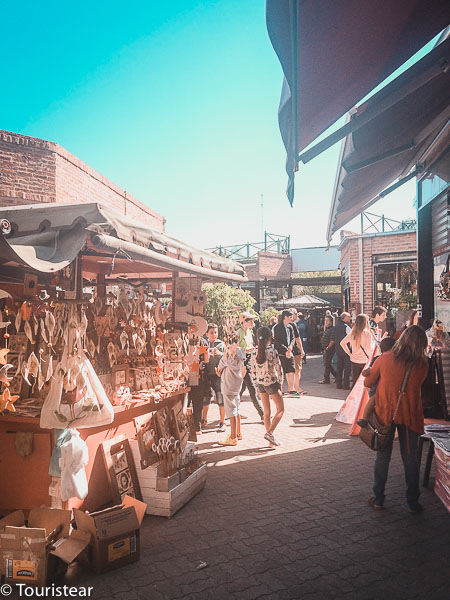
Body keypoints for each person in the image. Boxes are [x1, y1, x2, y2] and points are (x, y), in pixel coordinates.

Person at [363, 326, 429, 512]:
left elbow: (368, 382)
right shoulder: (423, 364)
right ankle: (412, 502)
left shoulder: (384, 359)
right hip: (410, 415)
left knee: (383, 456)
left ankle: (378, 499)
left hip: (386, 413)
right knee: (410, 457)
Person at [251, 326, 284, 447]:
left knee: (266, 413)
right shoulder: (272, 351)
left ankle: (271, 441)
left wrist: (256, 385)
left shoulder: (254, 352)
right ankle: (269, 433)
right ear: (270, 337)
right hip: (272, 383)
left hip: (260, 384)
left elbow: (253, 371)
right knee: (280, 409)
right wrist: (281, 383)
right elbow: (278, 369)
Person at [357, 336, 396, 427]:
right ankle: (364, 418)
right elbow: (370, 371)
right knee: (373, 400)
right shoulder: (378, 359)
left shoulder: (395, 359)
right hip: (378, 387)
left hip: (388, 386)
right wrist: (366, 372)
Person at [216, 337, 247, 446]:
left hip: (228, 385)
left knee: (231, 411)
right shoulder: (241, 353)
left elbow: (219, 370)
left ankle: (233, 437)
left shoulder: (227, 355)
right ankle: (238, 433)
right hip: (237, 384)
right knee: (237, 409)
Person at [237, 312, 264, 420]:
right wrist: (246, 350)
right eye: (250, 320)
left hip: (248, 361)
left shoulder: (249, 332)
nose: (253, 323)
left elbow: (250, 345)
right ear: (244, 321)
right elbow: (235, 349)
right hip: (241, 363)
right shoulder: (238, 332)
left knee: (241, 390)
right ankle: (262, 414)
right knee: (252, 389)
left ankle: (236, 412)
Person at [202, 324, 226, 431]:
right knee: (206, 397)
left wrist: (219, 353)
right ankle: (204, 419)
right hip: (207, 374)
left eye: (215, 332)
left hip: (218, 375)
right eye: (211, 333)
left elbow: (227, 357)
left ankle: (222, 421)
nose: (214, 335)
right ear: (207, 334)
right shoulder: (204, 343)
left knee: (220, 398)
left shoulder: (220, 344)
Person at [340, 314, 376, 386]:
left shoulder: (353, 333)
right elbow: (369, 349)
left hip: (354, 360)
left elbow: (342, 343)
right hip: (365, 360)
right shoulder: (367, 333)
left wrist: (349, 353)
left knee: (355, 382)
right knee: (365, 382)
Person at [273, 310, 297, 394]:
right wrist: (286, 350)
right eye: (290, 317)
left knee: (291, 369)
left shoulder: (290, 327)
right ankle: (280, 389)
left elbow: (293, 338)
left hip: (290, 351)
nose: (291, 319)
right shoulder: (277, 327)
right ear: (285, 317)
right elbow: (277, 341)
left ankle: (291, 389)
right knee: (281, 371)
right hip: (281, 352)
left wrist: (290, 347)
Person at [288, 309, 307, 394]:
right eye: (296, 313)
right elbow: (297, 339)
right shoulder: (294, 325)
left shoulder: (284, 325)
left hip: (288, 350)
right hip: (295, 350)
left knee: (289, 370)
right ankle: (297, 387)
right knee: (297, 369)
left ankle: (290, 388)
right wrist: (302, 349)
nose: (297, 315)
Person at [334, 312, 352, 389]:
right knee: (347, 367)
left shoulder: (336, 326)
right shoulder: (346, 327)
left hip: (338, 349)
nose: (350, 318)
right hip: (346, 349)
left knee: (339, 367)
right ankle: (346, 384)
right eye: (349, 317)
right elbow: (352, 337)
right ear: (344, 318)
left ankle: (338, 384)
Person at [319, 315, 336, 384]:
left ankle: (326, 379)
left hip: (329, 349)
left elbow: (332, 340)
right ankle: (337, 376)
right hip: (326, 348)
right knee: (328, 364)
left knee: (327, 364)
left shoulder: (332, 329)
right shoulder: (327, 329)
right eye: (325, 320)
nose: (325, 322)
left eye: (327, 320)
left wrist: (328, 347)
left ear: (331, 321)